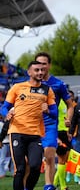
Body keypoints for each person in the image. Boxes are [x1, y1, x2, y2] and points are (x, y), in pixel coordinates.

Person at [1, 61, 57, 190]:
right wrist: (6, 114)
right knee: (19, 169)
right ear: (29, 72)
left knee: (35, 167)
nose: (40, 72)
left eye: (42, 70)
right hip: (17, 132)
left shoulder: (47, 90)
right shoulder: (17, 87)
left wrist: (48, 110)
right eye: (36, 70)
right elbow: (4, 107)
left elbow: (54, 113)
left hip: (35, 134)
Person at [35, 52, 75, 190]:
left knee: (50, 157)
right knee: (30, 163)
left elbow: (70, 105)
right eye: (38, 64)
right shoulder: (26, 84)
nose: (41, 67)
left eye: (44, 64)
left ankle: (50, 186)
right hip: (30, 126)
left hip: (50, 126)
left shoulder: (58, 84)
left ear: (49, 65)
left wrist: (68, 120)